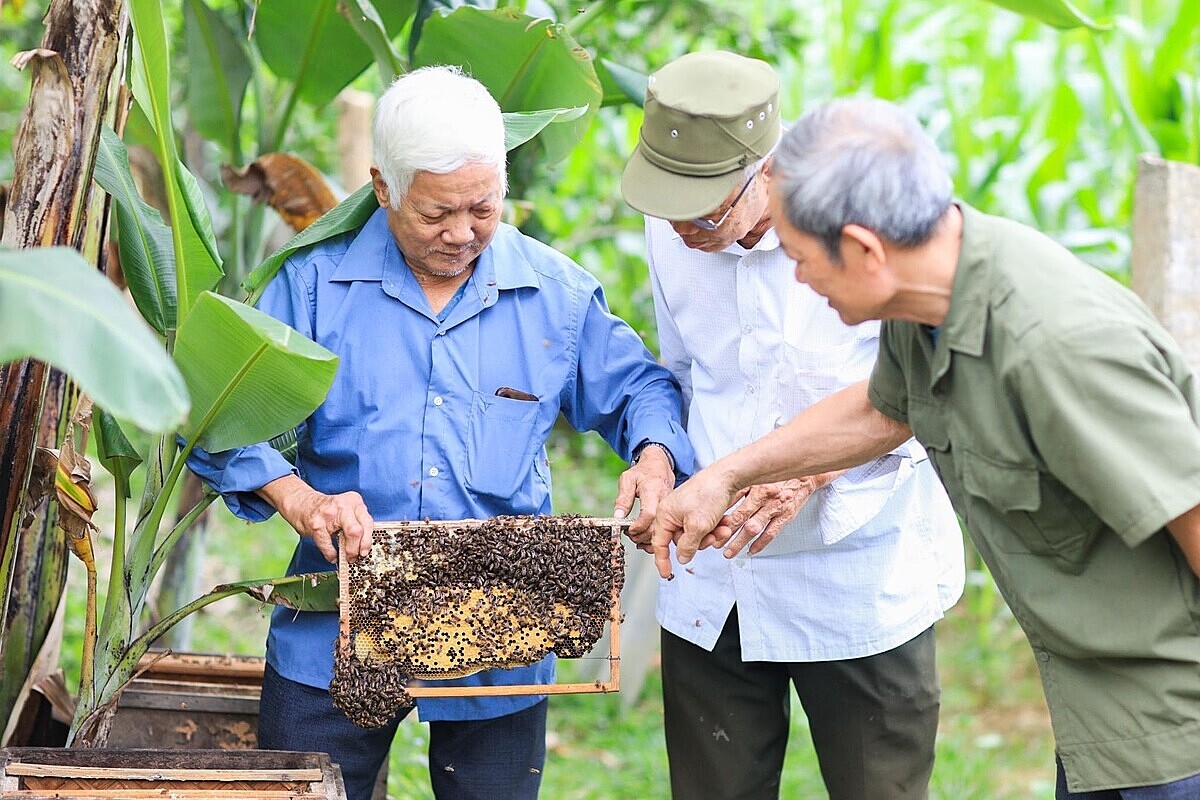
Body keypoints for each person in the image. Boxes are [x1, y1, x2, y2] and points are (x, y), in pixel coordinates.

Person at [649, 94, 1200, 799]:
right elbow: (885, 406)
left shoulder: (1056, 347)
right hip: (1101, 718)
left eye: (799, 257)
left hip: (1175, 732)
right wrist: (724, 476)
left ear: (864, 250)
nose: (796, 278)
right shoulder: (929, 299)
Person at [186, 65, 694, 800]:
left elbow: (640, 389)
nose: (461, 234)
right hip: (335, 623)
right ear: (383, 187)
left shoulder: (555, 296)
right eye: (436, 214)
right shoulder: (310, 287)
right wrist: (301, 499)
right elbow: (220, 418)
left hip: (504, 629)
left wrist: (654, 456)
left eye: (482, 209)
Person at [618, 51, 964, 800]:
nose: (682, 230)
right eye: (669, 208)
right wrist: (660, 454)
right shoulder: (674, 226)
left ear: (768, 171)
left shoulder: (871, 219)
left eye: (706, 212)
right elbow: (682, 371)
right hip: (714, 574)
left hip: (856, 575)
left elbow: (922, 390)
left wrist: (807, 470)